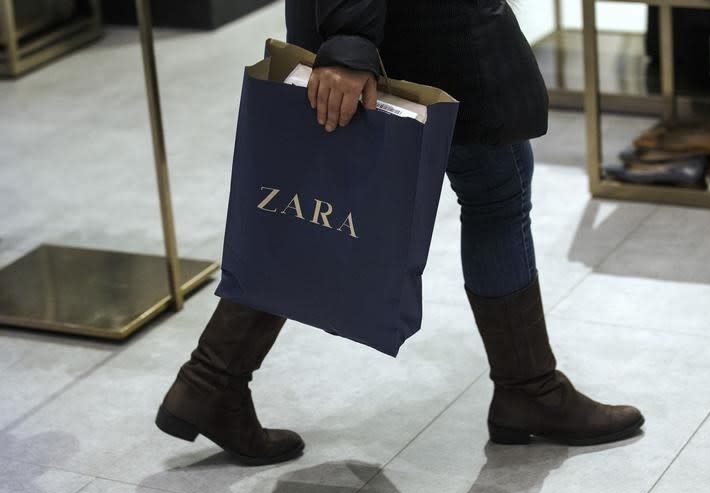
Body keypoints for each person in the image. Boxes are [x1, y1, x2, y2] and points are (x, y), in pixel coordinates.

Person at [154, 0, 645, 466]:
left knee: (317, 207)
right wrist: (349, 44)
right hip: (420, 30)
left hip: (376, 29)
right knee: (497, 191)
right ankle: (530, 389)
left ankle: (211, 381)